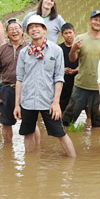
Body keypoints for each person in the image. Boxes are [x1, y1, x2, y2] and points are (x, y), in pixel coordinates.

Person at [13, 15, 76, 157]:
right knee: (27, 134)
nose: (34, 30)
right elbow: (20, 79)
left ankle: (73, 163)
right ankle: (30, 165)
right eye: (31, 27)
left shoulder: (55, 50)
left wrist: (56, 102)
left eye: (37, 27)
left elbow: (59, 78)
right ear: (27, 32)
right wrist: (17, 105)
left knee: (60, 133)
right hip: (28, 101)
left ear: (44, 30)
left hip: (48, 101)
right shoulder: (23, 53)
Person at [62, 10, 100, 128]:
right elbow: (73, 59)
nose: (97, 23)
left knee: (98, 123)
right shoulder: (80, 38)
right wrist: (73, 49)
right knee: (67, 120)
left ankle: (96, 145)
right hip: (81, 86)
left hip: (99, 87)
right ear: (90, 21)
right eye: (95, 20)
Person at [0, 18, 31, 143]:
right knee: (6, 122)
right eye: (10, 29)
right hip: (7, 89)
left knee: (30, 122)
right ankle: (8, 151)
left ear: (22, 31)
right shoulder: (1, 50)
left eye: (17, 28)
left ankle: (32, 152)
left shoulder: (30, 48)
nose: (14, 31)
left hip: (27, 90)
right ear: (7, 33)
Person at [58, 23, 79, 112]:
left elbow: (85, 63)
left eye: (70, 32)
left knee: (85, 105)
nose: (68, 35)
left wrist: (75, 70)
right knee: (63, 103)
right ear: (62, 35)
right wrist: (62, 70)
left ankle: (88, 121)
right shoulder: (58, 48)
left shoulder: (79, 47)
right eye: (66, 33)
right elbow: (55, 64)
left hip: (78, 78)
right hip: (64, 79)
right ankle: (64, 124)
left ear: (74, 32)